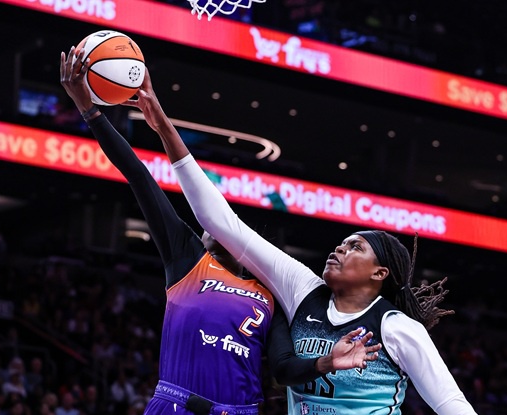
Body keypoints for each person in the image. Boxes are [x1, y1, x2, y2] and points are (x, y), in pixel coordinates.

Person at [121, 68, 478, 414]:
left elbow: (450, 404)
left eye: (355, 247)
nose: (340, 249)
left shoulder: (395, 327)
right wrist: (162, 125)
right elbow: (220, 221)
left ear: (379, 273)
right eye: (342, 243)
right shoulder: (303, 289)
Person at [59, 46, 381, 415]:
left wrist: (326, 362)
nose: (211, 227)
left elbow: (282, 368)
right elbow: (139, 177)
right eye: (207, 225)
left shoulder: (268, 295)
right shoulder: (187, 259)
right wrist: (90, 111)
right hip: (176, 404)